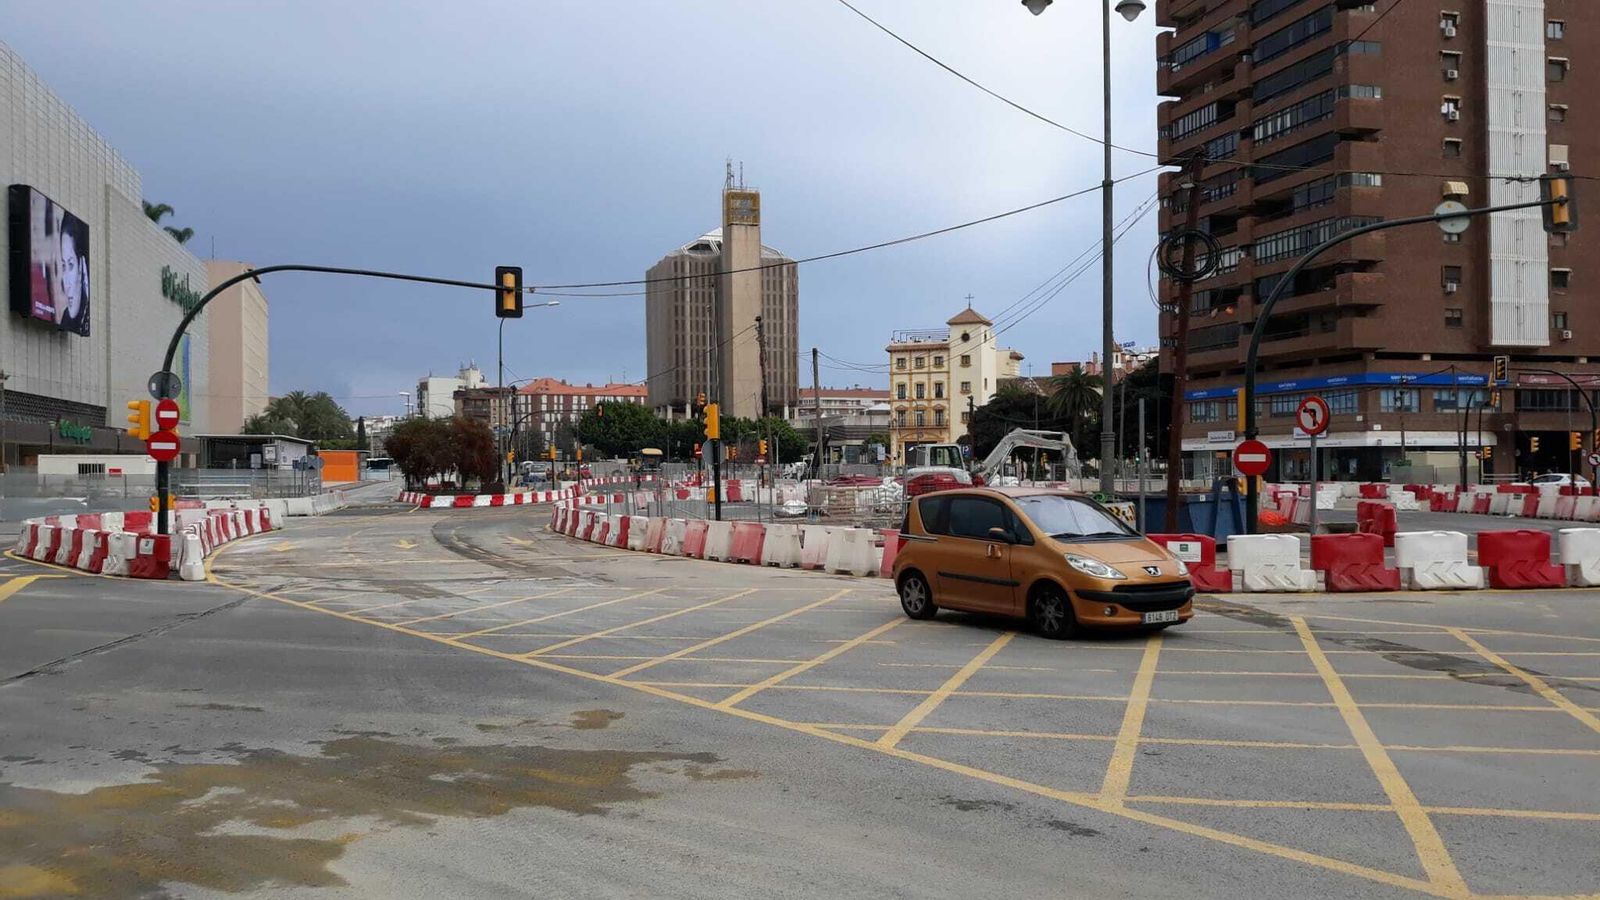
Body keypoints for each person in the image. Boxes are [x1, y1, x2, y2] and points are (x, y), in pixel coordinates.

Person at [53, 210, 89, 336]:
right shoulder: (65, 318)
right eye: (63, 266)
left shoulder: (86, 319)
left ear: (82, 266)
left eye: (71, 265)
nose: (66, 283)